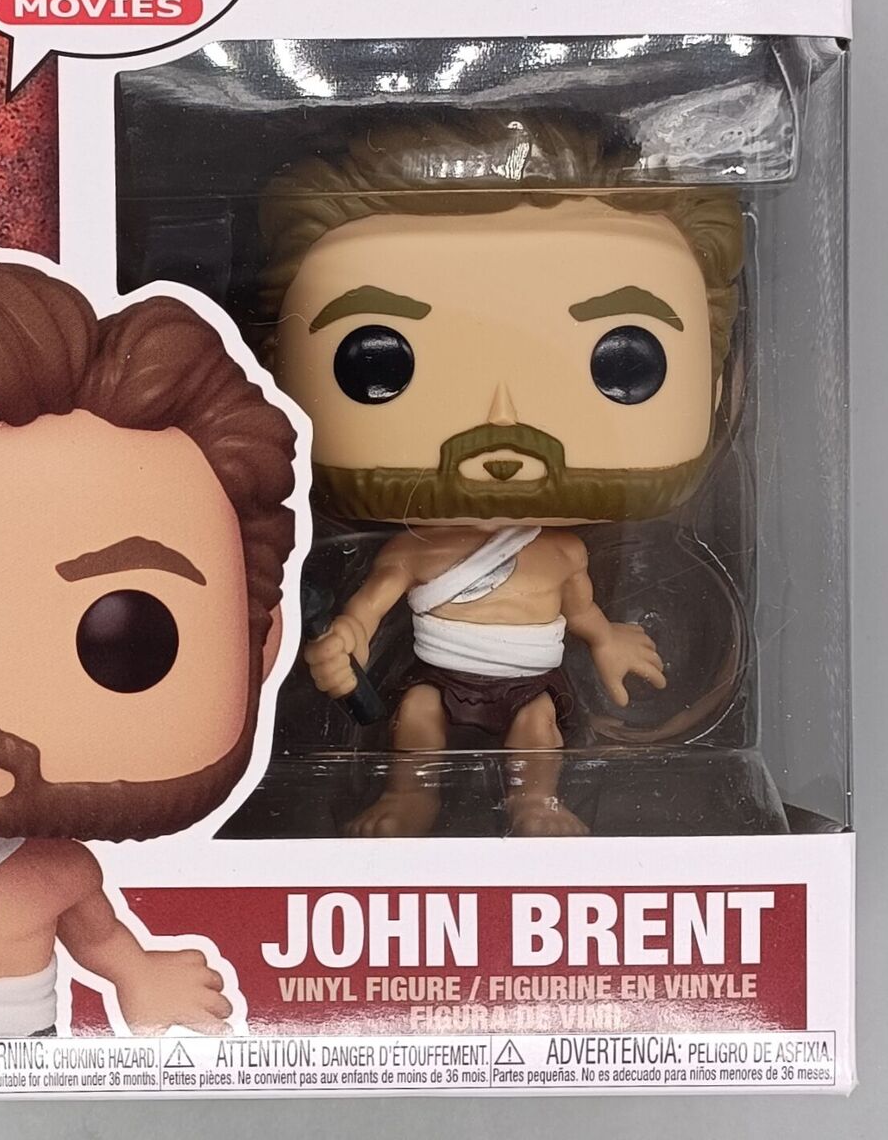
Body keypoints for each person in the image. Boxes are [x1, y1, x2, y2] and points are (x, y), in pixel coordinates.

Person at [263, 113, 743, 836]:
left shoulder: (563, 552)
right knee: (416, 717)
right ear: (276, 376)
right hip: (437, 676)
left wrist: (607, 639)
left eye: (625, 363)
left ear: (716, 385)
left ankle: (534, 802)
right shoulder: (416, 550)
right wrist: (346, 639)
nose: (503, 429)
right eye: (377, 361)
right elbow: (370, 606)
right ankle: (411, 798)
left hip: (529, 682)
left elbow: (581, 611)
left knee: (538, 730)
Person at [0, 257, 297, 1036]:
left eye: (127, 637)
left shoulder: (59, 871)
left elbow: (107, 945)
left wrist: (147, 980)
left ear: (261, 646)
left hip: (21, 1055)